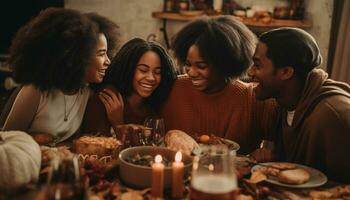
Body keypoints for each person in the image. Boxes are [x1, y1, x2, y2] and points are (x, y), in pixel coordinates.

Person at [160, 16, 278, 154]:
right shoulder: (172, 89)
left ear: (224, 64)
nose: (191, 72)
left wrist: (267, 152)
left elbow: (278, 143)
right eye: (188, 64)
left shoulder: (251, 98)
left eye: (201, 66)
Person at [2, 8, 120, 145]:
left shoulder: (86, 93)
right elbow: (4, 141)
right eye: (101, 54)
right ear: (77, 56)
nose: (108, 61)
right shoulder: (36, 91)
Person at [248, 27, 350, 183]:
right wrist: (278, 159)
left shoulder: (333, 115)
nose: (250, 72)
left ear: (286, 72)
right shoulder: (285, 102)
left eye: (258, 65)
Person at [83, 38, 177, 135]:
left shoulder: (151, 108)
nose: (151, 78)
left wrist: (118, 124)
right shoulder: (108, 97)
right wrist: (119, 127)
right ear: (128, 69)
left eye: (157, 72)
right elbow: (94, 145)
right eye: (143, 70)